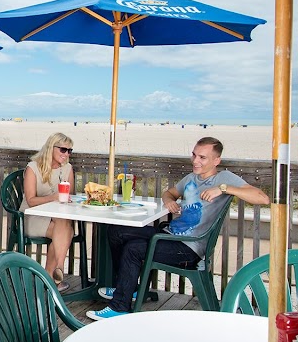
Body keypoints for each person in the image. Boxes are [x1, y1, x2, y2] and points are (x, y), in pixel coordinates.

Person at [87, 137, 269, 320]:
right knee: (117, 231)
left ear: (216, 161)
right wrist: (169, 201)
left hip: (189, 248)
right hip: (169, 235)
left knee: (133, 249)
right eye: (194, 155)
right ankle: (127, 287)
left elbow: (262, 198)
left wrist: (223, 189)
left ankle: (120, 306)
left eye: (202, 158)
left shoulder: (224, 178)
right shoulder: (191, 178)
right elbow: (170, 193)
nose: (195, 161)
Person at [18, 132, 76, 291]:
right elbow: (31, 200)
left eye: (69, 151)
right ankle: (55, 273)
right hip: (33, 216)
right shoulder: (33, 168)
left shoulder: (67, 168)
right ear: (51, 147)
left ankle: (51, 274)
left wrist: (63, 198)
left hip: (55, 216)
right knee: (67, 231)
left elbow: (68, 195)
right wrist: (54, 197)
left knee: (63, 224)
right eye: (63, 150)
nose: (66, 154)